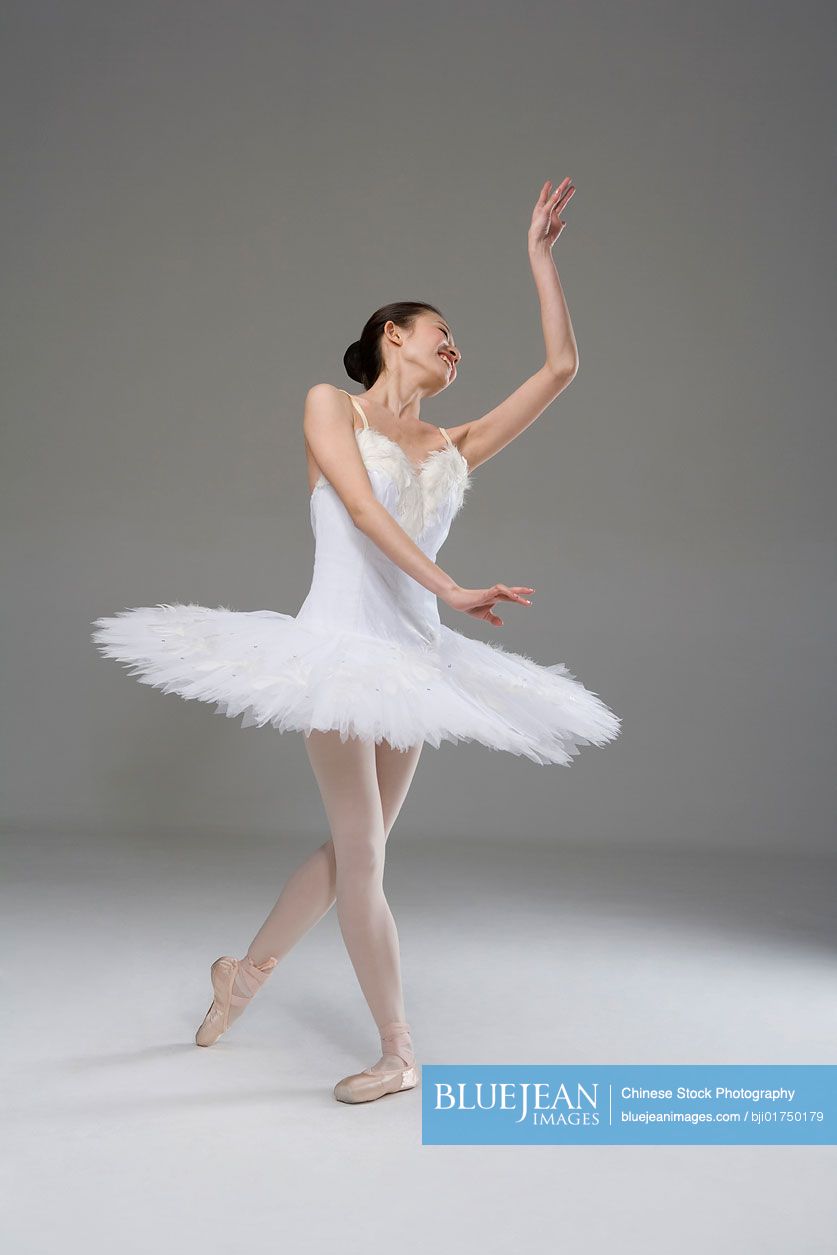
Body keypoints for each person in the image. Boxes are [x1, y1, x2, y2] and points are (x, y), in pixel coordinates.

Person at [91, 178, 621, 1104]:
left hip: (411, 670)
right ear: (391, 336)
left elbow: (563, 370)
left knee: (351, 853)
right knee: (365, 856)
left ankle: (243, 974)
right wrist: (451, 585)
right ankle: (399, 1050)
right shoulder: (329, 406)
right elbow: (364, 509)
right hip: (337, 656)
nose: (453, 346)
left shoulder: (456, 443)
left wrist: (540, 261)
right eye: (438, 331)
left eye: (458, 340)